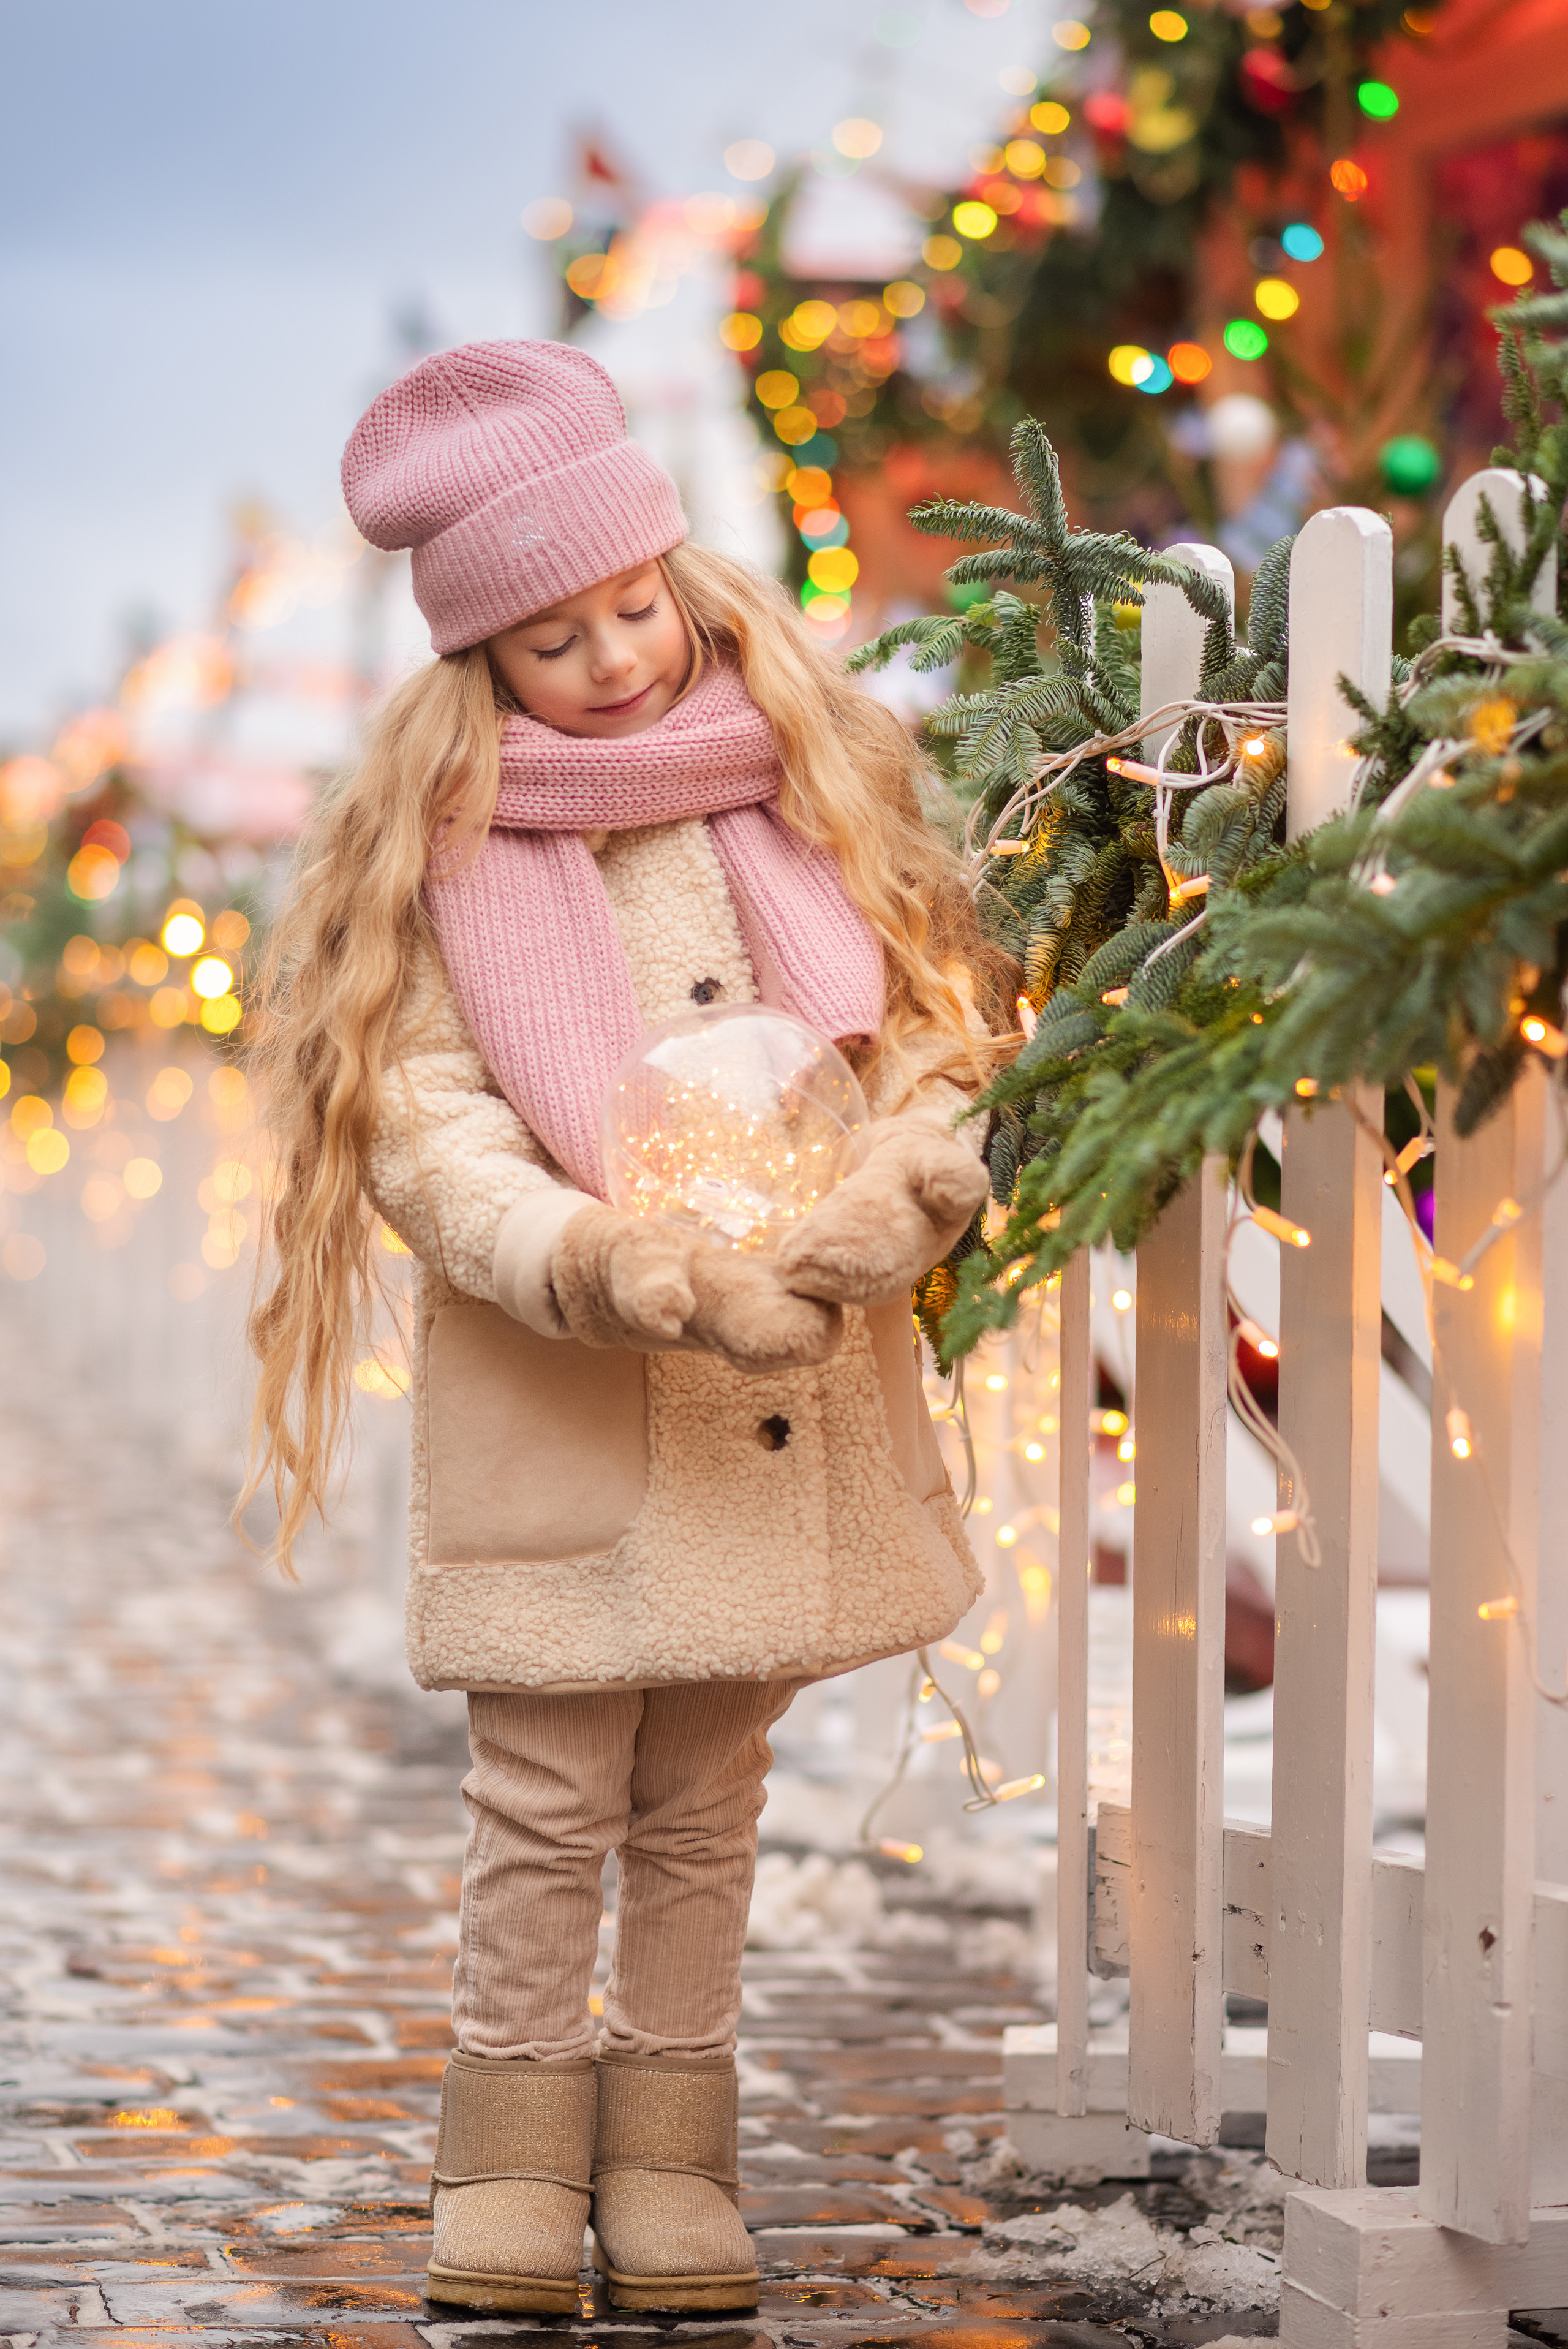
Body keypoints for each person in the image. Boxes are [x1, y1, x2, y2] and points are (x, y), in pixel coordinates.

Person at [246, 340, 1002, 2318]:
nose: (607, 660)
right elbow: (426, 1122)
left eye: (631, 606)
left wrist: (904, 1166)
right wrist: (597, 1257)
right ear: (479, 660)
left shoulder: (799, 782)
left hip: (779, 1383)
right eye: (548, 636)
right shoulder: (453, 855)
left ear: (682, 573)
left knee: (704, 1799)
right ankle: (505, 2148)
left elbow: (919, 1017)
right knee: (550, 1790)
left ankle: (671, 2150)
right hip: (576, 1390)